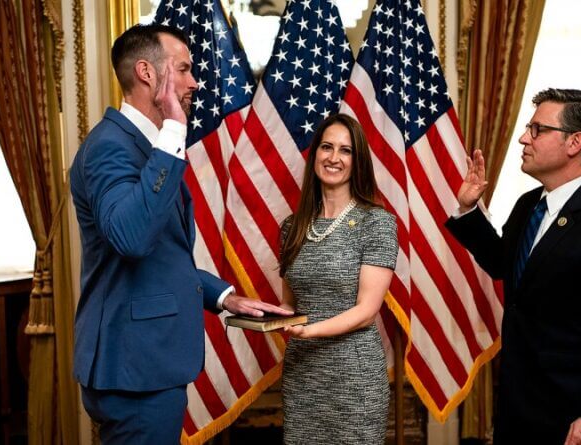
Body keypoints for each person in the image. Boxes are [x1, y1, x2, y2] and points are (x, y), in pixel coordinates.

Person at [69, 24, 290, 444]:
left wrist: (224, 297)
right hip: (136, 369)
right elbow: (132, 239)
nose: (195, 81)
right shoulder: (110, 146)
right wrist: (173, 126)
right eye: (184, 69)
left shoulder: (145, 146)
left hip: (145, 364)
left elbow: (161, 255)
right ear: (148, 73)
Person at [445, 88, 581, 445]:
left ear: (575, 143)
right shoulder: (529, 205)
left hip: (574, 416)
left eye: (538, 129)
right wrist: (468, 210)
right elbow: (504, 266)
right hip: (518, 406)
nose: (524, 137)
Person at [278, 113, 398, 444]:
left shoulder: (378, 223)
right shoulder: (292, 228)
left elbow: (366, 311)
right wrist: (266, 317)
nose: (333, 158)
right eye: (327, 147)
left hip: (355, 379)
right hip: (303, 374)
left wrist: (309, 331)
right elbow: (290, 303)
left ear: (357, 161)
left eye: (345, 151)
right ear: (314, 153)